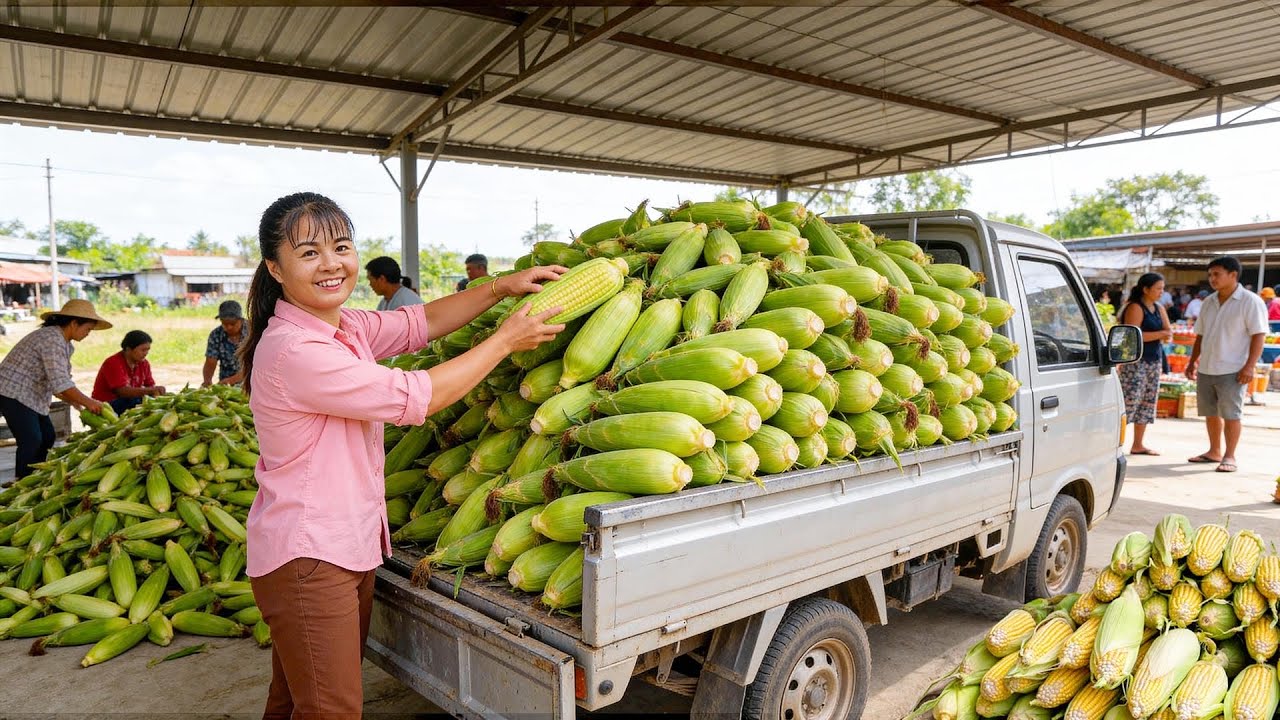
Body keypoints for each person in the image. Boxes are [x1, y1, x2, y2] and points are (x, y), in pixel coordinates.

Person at [239, 192, 566, 717]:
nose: (331, 264)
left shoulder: (345, 327)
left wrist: (500, 287)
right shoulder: (296, 350)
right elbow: (418, 396)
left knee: (297, 701)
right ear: (275, 269)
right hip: (311, 557)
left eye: (341, 247)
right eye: (309, 253)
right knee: (332, 710)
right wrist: (504, 341)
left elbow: (422, 322)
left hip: (343, 547)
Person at [0, 299, 108, 481]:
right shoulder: (52, 339)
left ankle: (35, 478)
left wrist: (76, 402)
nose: (88, 334)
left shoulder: (65, 344)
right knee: (32, 440)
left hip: (32, 395)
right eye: (88, 329)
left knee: (48, 436)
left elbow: (58, 383)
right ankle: (22, 481)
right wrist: (89, 402)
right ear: (74, 323)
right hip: (13, 391)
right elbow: (61, 383)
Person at [1185, 256, 1268, 473]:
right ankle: (1214, 451)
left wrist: (1249, 366)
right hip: (1207, 367)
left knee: (1231, 414)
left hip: (1234, 368)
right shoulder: (1208, 302)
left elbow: (1259, 335)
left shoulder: (1251, 301)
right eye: (1210, 275)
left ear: (1233, 275)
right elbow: (1200, 335)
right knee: (1210, 412)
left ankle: (1229, 455)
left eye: (1217, 274)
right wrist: (1192, 362)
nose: (1212, 279)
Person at [1117, 273, 1172, 456]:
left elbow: (1168, 331)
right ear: (1146, 289)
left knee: (1147, 402)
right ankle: (1116, 444)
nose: (1161, 292)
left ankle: (1138, 444)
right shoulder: (1135, 307)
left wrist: (1159, 334)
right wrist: (1160, 334)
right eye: (1158, 288)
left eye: (1162, 289)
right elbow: (1134, 336)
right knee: (1129, 401)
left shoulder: (1158, 308)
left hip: (1154, 360)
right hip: (1135, 361)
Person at [91, 330, 166, 414]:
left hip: (128, 401)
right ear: (128, 349)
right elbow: (122, 392)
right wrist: (151, 390)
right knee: (136, 401)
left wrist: (157, 393)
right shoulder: (113, 362)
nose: (146, 353)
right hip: (106, 405)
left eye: (147, 350)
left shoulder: (143, 363)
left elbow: (150, 385)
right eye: (143, 350)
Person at [203, 300, 245, 387]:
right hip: (226, 385)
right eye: (224, 323)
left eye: (232, 324)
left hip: (250, 383)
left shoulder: (252, 332)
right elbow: (210, 362)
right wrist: (207, 381)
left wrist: (233, 380)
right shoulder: (216, 335)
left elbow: (257, 365)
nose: (228, 327)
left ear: (240, 320)